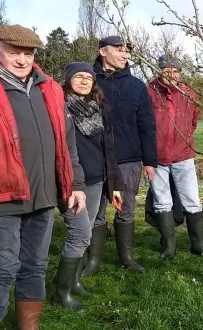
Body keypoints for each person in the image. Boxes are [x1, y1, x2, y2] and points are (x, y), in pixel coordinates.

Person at [0, 25, 86, 327]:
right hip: (4, 198)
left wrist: (75, 184)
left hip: (44, 195)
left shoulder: (49, 88)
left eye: (28, 53)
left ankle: (28, 326)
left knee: (35, 265)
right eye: (13, 52)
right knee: (3, 268)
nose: (22, 59)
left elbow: (66, 142)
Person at [52, 62, 125, 311]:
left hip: (96, 180)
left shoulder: (99, 109)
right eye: (78, 77)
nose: (84, 81)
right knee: (80, 233)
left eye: (88, 77)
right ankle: (61, 293)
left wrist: (114, 183)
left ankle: (73, 282)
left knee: (88, 232)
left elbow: (108, 150)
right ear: (68, 80)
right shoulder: (59, 108)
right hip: (71, 183)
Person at [93, 36, 157, 273]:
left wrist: (150, 162)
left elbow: (147, 126)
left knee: (124, 208)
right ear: (103, 52)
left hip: (127, 161)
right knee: (96, 210)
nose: (125, 54)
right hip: (96, 160)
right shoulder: (88, 82)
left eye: (126, 51)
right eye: (119, 50)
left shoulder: (136, 86)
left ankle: (126, 258)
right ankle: (93, 261)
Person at [146, 55, 203, 260]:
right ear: (159, 71)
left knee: (192, 200)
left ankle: (198, 244)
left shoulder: (189, 94)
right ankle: (169, 247)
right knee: (162, 201)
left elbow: (193, 123)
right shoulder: (149, 93)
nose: (172, 75)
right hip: (157, 157)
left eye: (176, 71)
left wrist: (182, 140)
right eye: (167, 71)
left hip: (183, 155)